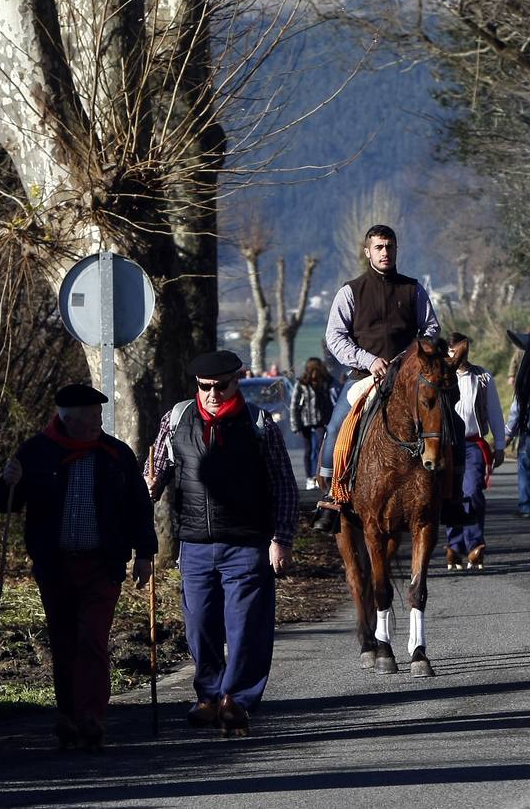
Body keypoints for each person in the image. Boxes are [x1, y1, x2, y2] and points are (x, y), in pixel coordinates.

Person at [0, 385, 155, 752]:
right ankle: (67, 714)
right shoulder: (37, 452)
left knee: (92, 639)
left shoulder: (115, 454)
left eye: (100, 417)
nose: (98, 424)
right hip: (55, 567)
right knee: (64, 641)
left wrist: (145, 552)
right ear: (68, 420)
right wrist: (8, 481)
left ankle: (91, 716)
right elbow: (5, 505)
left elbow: (137, 506)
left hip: (103, 565)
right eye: (91, 418)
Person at [147, 350, 298, 736]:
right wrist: (146, 487)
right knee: (200, 625)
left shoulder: (260, 422)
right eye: (205, 387)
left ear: (237, 382)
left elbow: (283, 485)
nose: (212, 394)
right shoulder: (177, 419)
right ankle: (208, 696)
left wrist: (281, 539)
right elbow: (157, 472)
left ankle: (237, 699)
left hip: (247, 544)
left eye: (221, 386)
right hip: (194, 544)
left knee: (246, 626)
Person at [314, 224, 453, 533]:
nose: (385, 252)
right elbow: (334, 337)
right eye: (378, 247)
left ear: (396, 249)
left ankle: (452, 497)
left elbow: (431, 329)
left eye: (389, 247)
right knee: (336, 428)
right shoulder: (350, 291)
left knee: (449, 422)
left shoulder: (413, 289)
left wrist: (411, 358)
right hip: (366, 376)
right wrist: (368, 359)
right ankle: (332, 497)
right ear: (368, 252)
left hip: (409, 377)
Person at [443, 333, 506, 570]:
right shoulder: (441, 376)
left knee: (473, 492)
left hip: (472, 444)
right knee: (451, 493)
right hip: (447, 445)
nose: (456, 355)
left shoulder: (482, 377)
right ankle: (454, 545)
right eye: (451, 351)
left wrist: (499, 445)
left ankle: (474, 546)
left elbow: (495, 412)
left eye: (458, 350)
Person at [289, 357, 334, 490]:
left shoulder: (324, 382)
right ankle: (309, 478)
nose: (315, 374)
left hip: (321, 420)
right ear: (309, 371)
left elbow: (329, 401)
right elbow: (294, 405)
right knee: (308, 449)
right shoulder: (301, 384)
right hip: (305, 421)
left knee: (321, 447)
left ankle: (319, 475)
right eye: (313, 370)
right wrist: (295, 425)